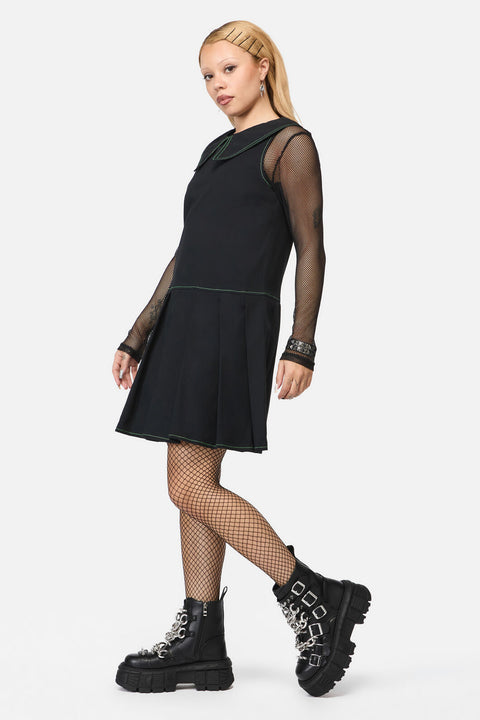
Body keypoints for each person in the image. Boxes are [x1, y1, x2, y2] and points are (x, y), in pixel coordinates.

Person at [112, 19, 371, 697]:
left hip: (234, 324)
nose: (216, 85)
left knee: (188, 485)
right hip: (187, 322)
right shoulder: (216, 150)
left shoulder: (290, 145)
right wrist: (139, 333)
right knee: (190, 481)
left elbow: (311, 246)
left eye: (228, 69)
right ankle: (203, 638)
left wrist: (302, 343)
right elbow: (188, 249)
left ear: (262, 67)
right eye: (206, 75)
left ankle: (312, 594)